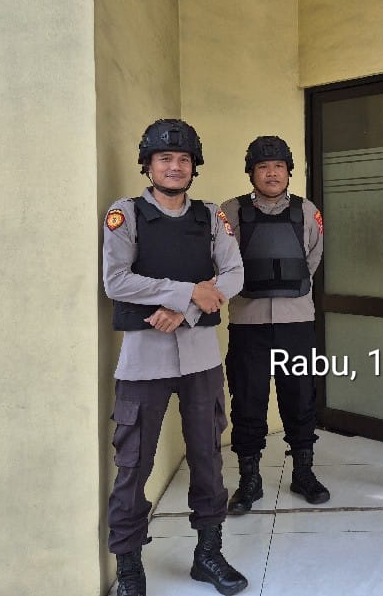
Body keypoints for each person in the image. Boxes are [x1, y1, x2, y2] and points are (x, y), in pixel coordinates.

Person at [103, 119, 248, 596]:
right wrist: (186, 292)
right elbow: (116, 281)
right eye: (164, 158)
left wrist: (183, 310)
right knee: (134, 464)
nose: (174, 166)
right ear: (148, 165)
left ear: (193, 167)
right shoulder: (125, 214)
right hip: (143, 360)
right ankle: (129, 566)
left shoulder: (210, 216)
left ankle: (208, 554)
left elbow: (233, 274)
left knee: (207, 457)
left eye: (183, 159)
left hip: (201, 359)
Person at [220, 135, 329, 515]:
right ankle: (249, 481)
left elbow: (312, 258)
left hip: (296, 321)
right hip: (248, 323)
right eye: (263, 167)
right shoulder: (230, 212)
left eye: (279, 166)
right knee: (247, 401)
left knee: (301, 398)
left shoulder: (307, 211)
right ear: (251, 172)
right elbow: (221, 261)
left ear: (288, 172)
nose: (271, 173)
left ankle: (303, 473)